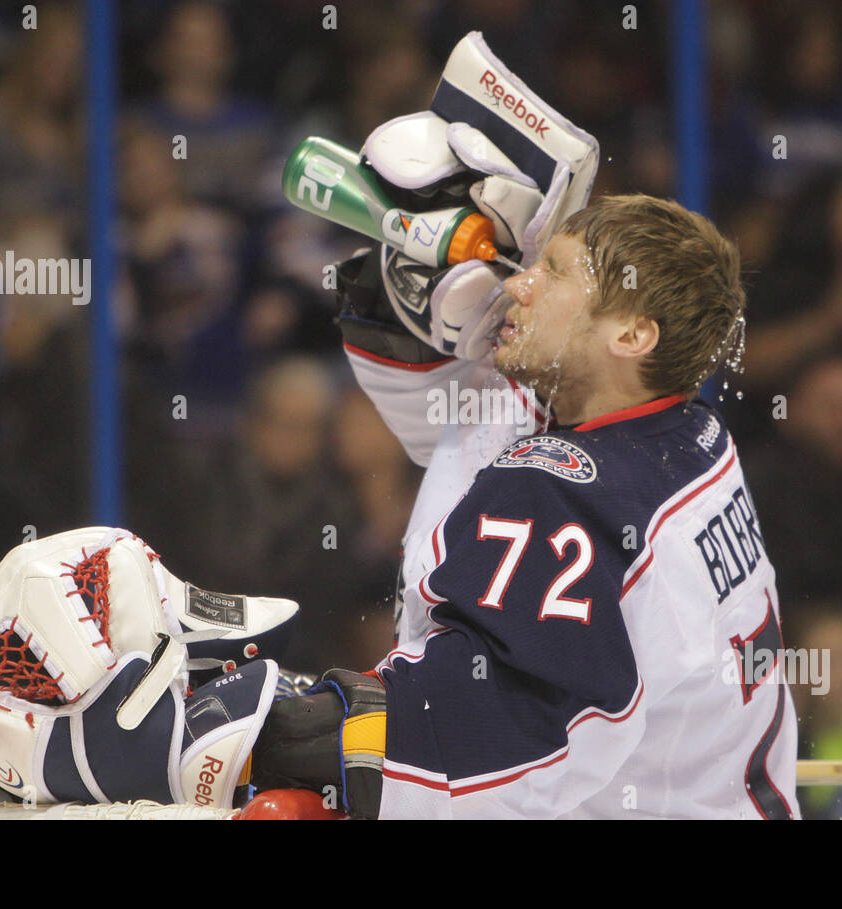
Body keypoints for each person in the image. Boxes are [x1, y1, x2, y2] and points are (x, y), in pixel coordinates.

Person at [249, 194, 801, 819]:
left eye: (556, 271)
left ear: (631, 333)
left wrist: (277, 733)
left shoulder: (562, 487)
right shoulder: (697, 438)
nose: (521, 282)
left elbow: (479, 740)